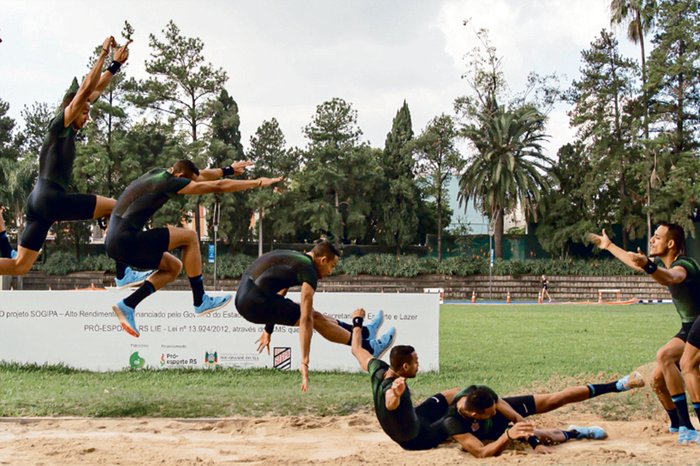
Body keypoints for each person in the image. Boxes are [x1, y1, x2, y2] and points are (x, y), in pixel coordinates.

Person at [0, 36, 150, 288]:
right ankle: (123, 272)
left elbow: (94, 91)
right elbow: (84, 91)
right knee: (118, 207)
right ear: (72, 107)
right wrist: (103, 55)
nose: (88, 117)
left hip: (38, 202)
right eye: (85, 111)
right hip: (51, 198)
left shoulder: (66, 129)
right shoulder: (62, 122)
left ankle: (123, 269)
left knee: (20, 265)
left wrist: (115, 66)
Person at [107, 159, 280, 338]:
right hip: (126, 239)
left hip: (114, 243)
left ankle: (128, 304)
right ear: (180, 176)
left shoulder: (158, 172)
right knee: (190, 237)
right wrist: (258, 182)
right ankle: (200, 300)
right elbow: (219, 186)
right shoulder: (170, 182)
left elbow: (202, 175)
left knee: (173, 267)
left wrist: (229, 169)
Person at [589, 224, 700, 444]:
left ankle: (689, 427)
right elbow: (642, 265)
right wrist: (609, 245)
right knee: (658, 379)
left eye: (657, 237)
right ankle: (678, 423)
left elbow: (670, 277)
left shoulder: (684, 265)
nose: (651, 240)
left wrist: (649, 265)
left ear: (670, 243)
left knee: (681, 361)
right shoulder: (662, 265)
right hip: (690, 326)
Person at [235, 246, 395, 392]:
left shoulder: (298, 259)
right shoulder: (308, 269)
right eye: (332, 266)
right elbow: (306, 319)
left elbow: (279, 290)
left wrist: (268, 329)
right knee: (313, 317)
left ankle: (365, 333)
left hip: (246, 298)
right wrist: (304, 362)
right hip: (254, 304)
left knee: (316, 315)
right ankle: (368, 347)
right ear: (323, 260)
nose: (330, 272)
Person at [443, 372, 645, 458]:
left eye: (494, 408)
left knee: (554, 399)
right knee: (545, 435)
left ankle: (617, 385)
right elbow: (480, 453)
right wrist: (509, 436)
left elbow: (515, 417)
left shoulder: (482, 393)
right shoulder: (453, 422)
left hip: (500, 420)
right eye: (490, 413)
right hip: (496, 432)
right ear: (474, 414)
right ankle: (576, 433)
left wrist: (534, 443)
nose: (495, 413)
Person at [350, 308, 463, 450]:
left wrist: (357, 321)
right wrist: (396, 393)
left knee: (454, 394)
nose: (418, 365)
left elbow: (356, 349)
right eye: (415, 362)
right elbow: (390, 402)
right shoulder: (393, 387)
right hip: (417, 439)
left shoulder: (378, 368)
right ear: (405, 366)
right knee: (458, 418)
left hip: (415, 419)